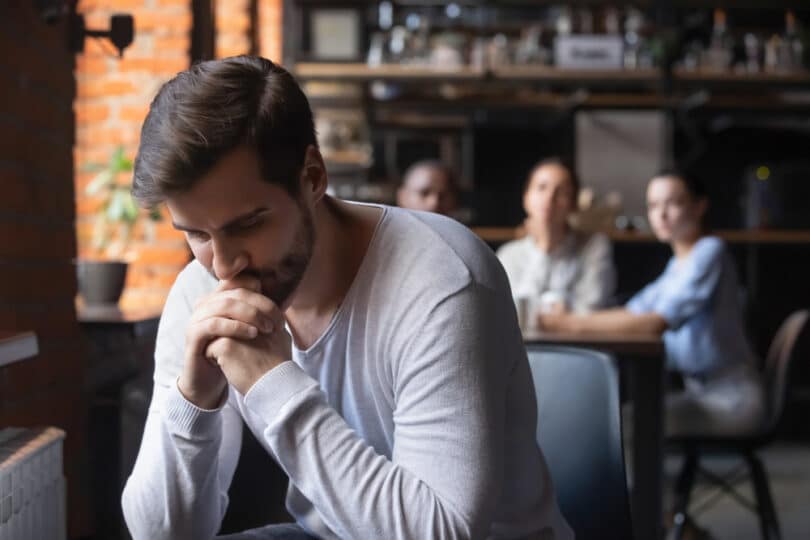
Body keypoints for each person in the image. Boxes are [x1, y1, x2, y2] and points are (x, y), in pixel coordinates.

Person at [120, 56, 571, 540]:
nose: (224, 266)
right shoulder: (200, 291)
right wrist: (194, 401)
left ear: (312, 177)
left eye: (248, 224)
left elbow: (441, 533)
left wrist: (273, 383)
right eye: (196, 234)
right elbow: (161, 534)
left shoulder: (442, 281)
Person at [538, 171, 764, 438]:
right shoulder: (676, 265)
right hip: (700, 394)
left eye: (673, 203)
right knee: (617, 419)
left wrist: (569, 324)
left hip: (731, 400)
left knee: (619, 425)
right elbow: (633, 312)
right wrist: (571, 322)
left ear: (699, 206)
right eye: (654, 206)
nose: (661, 214)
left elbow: (654, 322)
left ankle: (639, 482)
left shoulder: (709, 252)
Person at [496, 158, 616, 317]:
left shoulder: (595, 247)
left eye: (562, 192)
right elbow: (511, 314)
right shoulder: (508, 255)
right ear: (526, 198)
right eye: (541, 187)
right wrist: (544, 248)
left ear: (573, 204)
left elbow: (591, 309)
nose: (549, 198)